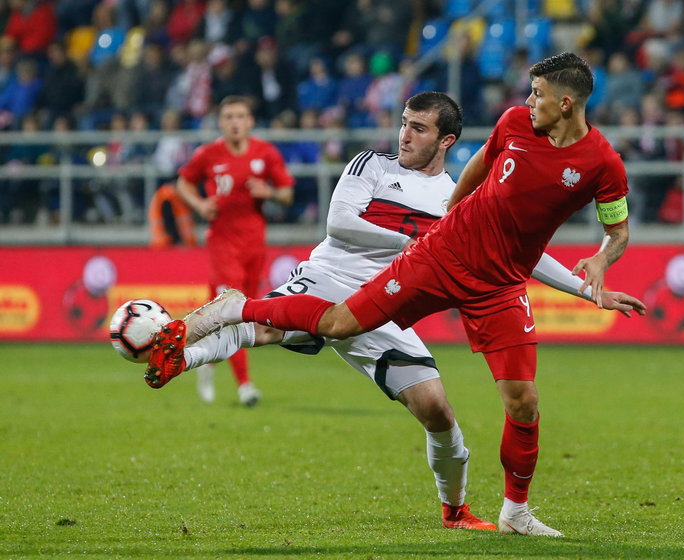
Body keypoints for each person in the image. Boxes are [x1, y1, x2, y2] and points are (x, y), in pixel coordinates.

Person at [151, 52, 641, 537]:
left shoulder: (598, 162)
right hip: (343, 274)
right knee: (278, 327)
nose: (404, 134)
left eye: (419, 128)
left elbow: (557, 238)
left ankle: (467, 511)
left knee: (446, 407)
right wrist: (433, 228)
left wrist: (589, 283)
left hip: (475, 283)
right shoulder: (376, 164)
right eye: (404, 124)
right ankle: (213, 326)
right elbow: (341, 220)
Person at [176, 95, 294, 406]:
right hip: (222, 243)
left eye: (240, 116)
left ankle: (204, 359)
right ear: (220, 122)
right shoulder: (208, 154)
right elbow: (183, 183)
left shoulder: (265, 153)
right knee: (236, 311)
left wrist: (269, 192)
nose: (235, 122)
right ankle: (245, 386)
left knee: (231, 312)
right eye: (228, 116)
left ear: (250, 121)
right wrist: (200, 204)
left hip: (254, 243)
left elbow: (287, 193)